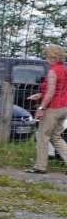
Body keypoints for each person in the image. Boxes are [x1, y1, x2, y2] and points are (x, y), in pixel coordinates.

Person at [24, 44, 67, 174]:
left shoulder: (53, 71)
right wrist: (41, 94)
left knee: (42, 136)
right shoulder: (64, 70)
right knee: (55, 135)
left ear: (53, 58)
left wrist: (41, 107)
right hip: (63, 106)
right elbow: (60, 88)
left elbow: (52, 92)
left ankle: (40, 166)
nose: (45, 58)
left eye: (46, 56)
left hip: (53, 107)